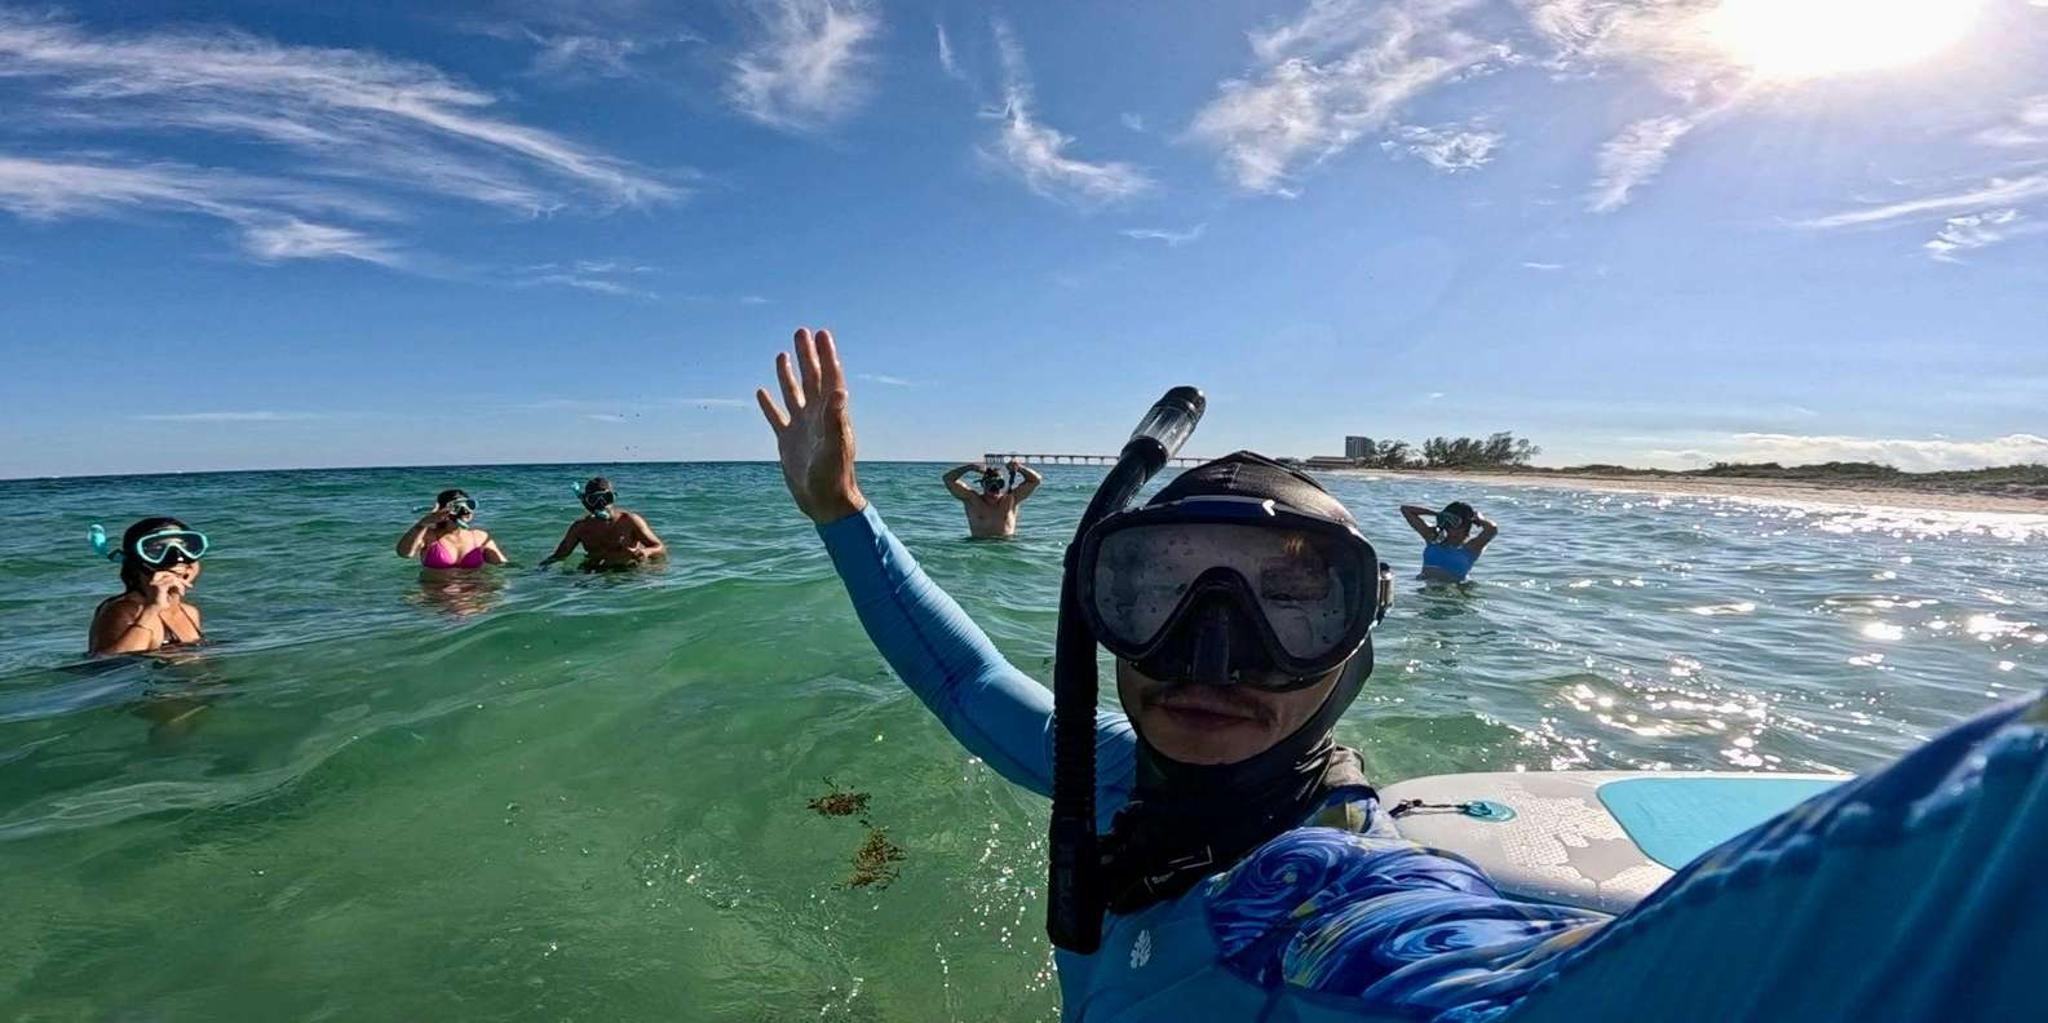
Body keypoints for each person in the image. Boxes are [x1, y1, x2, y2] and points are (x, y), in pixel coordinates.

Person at [755, 327, 2046, 1021]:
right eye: (1160, 592)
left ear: (1354, 661)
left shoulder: (1325, 903)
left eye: (1291, 604)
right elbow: (967, 680)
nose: (1213, 655)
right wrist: (840, 509)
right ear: (1106, 607)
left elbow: (1489, 977)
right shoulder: (1108, 775)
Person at [88, 517, 207, 656]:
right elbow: (110, 667)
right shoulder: (123, 610)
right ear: (136, 562)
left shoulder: (190, 612)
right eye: (157, 549)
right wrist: (152, 609)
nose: (178, 557)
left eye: (185, 546)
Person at [540, 476, 667, 569]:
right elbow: (559, 555)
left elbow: (659, 547)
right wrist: (538, 570)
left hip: (628, 570)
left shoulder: (629, 521)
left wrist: (645, 552)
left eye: (606, 498)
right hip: (593, 571)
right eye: (594, 500)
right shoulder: (580, 527)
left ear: (613, 497)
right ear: (587, 501)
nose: (602, 504)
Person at [395, 489, 506, 570]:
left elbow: (502, 565)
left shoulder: (480, 537)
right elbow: (404, 554)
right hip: (436, 598)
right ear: (443, 510)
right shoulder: (428, 536)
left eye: (469, 505)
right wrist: (423, 523)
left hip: (474, 596)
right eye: (457, 507)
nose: (465, 511)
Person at [943, 459, 1041, 538]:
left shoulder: (1011, 499)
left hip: (1006, 547)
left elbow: (1036, 480)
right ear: (983, 485)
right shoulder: (972, 499)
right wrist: (970, 467)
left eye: (999, 484)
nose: (994, 488)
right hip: (979, 547)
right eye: (989, 484)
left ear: (1003, 485)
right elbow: (948, 479)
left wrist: (1019, 468)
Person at [1401, 499, 1495, 582]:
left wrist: (1480, 519)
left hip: (1453, 593)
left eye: (1454, 525)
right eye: (1447, 524)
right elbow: (1406, 509)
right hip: (1425, 588)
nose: (1450, 530)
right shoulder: (1434, 538)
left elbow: (1492, 529)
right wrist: (1437, 514)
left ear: (1466, 525)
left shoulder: (1472, 546)